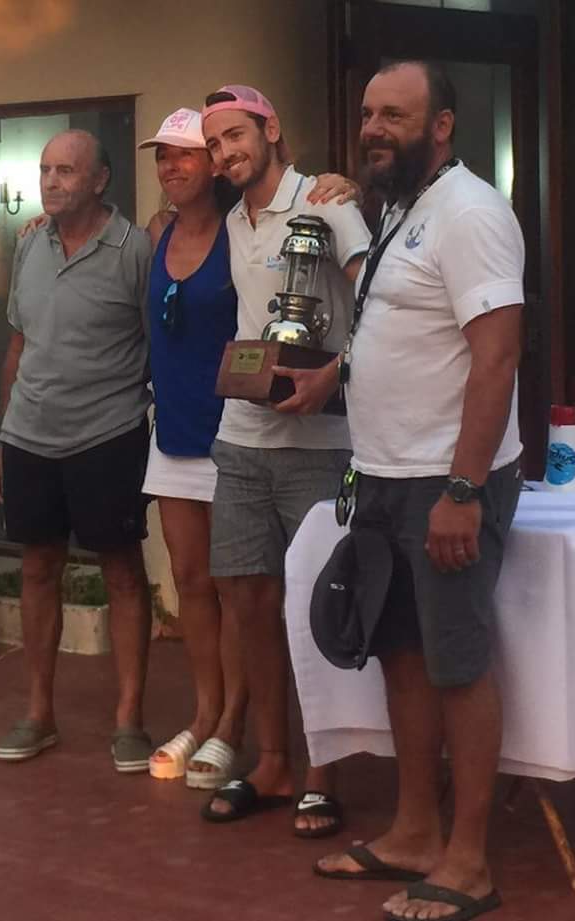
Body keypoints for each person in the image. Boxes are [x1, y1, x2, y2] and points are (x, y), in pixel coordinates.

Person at [277, 61, 525, 921]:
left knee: (455, 662)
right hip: (383, 474)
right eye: (368, 114)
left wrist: (463, 487)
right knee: (404, 657)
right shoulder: (402, 211)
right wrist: (333, 376)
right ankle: (416, 831)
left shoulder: (471, 213)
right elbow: (395, 322)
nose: (374, 129)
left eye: (395, 115)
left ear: (442, 125)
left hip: (444, 480)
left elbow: (496, 357)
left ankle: (470, 862)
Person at [200, 84, 371, 837]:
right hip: (241, 439)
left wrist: (336, 371)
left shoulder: (327, 200)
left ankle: (321, 774)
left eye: (235, 135)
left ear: (271, 129)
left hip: (318, 445)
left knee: (315, 605)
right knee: (246, 601)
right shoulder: (232, 219)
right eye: (215, 144)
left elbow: (381, 299)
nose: (225, 153)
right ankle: (272, 762)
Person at [0, 129, 155, 773]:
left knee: (123, 573)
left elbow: (156, 342)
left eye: (66, 170)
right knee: (37, 569)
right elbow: (19, 345)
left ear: (99, 180)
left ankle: (129, 721)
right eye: (45, 169)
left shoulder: (134, 249)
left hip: (108, 436)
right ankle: (39, 714)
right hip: (30, 438)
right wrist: (4, 441)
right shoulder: (29, 243)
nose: (51, 181)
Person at [137, 108, 247, 788]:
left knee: (238, 589)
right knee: (191, 582)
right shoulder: (157, 232)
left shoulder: (245, 231)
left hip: (233, 436)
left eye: (184, 153)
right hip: (173, 432)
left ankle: (235, 721)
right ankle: (205, 712)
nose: (171, 166)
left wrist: (338, 185)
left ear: (213, 162)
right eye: (162, 156)